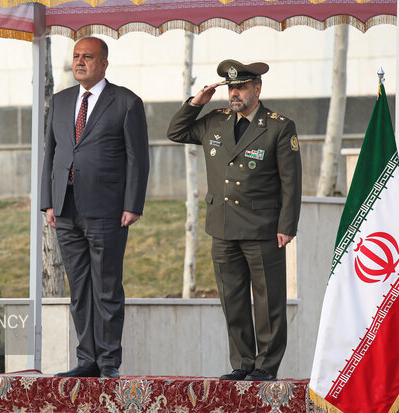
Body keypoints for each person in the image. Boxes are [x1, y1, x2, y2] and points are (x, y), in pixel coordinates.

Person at [167, 59, 302, 381]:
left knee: (268, 302)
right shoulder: (215, 121)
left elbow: (291, 181)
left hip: (262, 228)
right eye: (231, 88)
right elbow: (175, 132)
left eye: (241, 87)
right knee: (233, 301)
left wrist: (287, 226)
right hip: (223, 226)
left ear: (257, 88)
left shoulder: (279, 126)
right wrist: (195, 103)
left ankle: (266, 366)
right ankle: (242, 363)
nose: (234, 94)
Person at [40, 37, 150, 379]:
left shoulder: (126, 102)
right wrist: (47, 202)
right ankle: (86, 359)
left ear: (104, 63)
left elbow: (138, 158)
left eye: (87, 56)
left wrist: (132, 204)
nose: (80, 61)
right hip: (66, 208)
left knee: (106, 287)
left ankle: (108, 362)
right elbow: (52, 154)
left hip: (108, 210)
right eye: (76, 56)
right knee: (80, 289)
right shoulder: (59, 102)